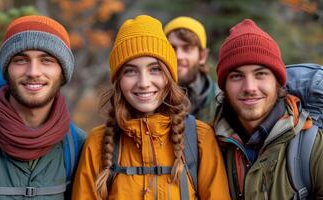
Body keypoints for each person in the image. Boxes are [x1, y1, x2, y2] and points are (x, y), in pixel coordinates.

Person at [72, 15, 230, 200]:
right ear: (118, 80)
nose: (144, 83)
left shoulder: (200, 139)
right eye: (130, 71)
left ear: (169, 76)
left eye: (155, 69)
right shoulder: (97, 144)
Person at [0, 15, 86, 199]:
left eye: (46, 60)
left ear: (63, 71)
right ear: (7, 70)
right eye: (21, 60)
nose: (33, 72)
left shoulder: (77, 147)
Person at [213, 19, 323, 199]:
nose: (249, 87)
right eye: (236, 76)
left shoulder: (312, 148)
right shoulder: (209, 145)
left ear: (278, 82)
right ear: (224, 87)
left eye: (260, 74)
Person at [164, 16, 218, 123]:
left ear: (202, 56)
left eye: (187, 48)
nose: (178, 56)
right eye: (172, 48)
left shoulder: (220, 101)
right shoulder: (151, 98)